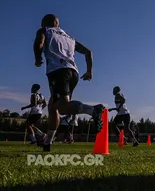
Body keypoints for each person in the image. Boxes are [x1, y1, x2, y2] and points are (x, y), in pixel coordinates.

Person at [33, 14, 105, 151]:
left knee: (61, 107)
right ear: (57, 24)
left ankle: (92, 110)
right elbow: (88, 52)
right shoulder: (69, 38)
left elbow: (39, 43)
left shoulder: (45, 31)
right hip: (73, 73)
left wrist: (37, 58)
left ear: (44, 23)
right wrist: (90, 71)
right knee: (52, 107)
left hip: (58, 71)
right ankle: (47, 142)